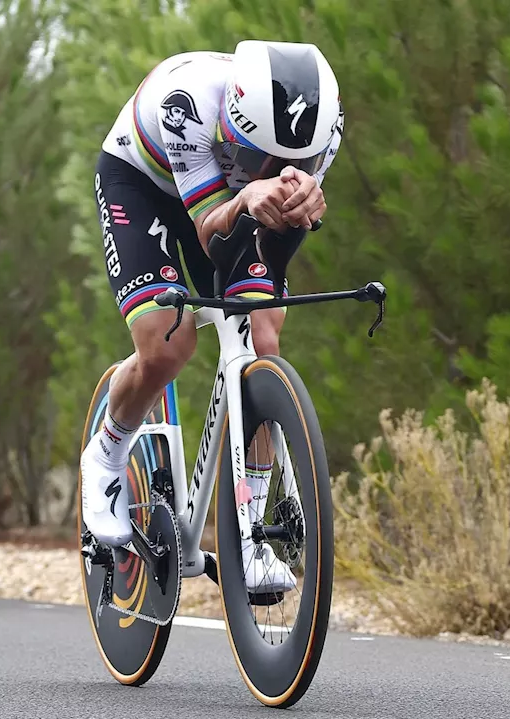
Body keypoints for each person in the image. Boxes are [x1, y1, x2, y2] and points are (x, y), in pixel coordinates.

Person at [81, 40, 343, 594]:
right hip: (145, 183)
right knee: (168, 343)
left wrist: (300, 209)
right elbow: (206, 229)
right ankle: (105, 454)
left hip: (235, 196)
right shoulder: (189, 104)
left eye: (295, 164)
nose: (280, 170)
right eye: (260, 157)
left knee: (263, 339)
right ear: (232, 125)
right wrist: (250, 193)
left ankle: (250, 534)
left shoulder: (323, 130)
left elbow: (274, 244)